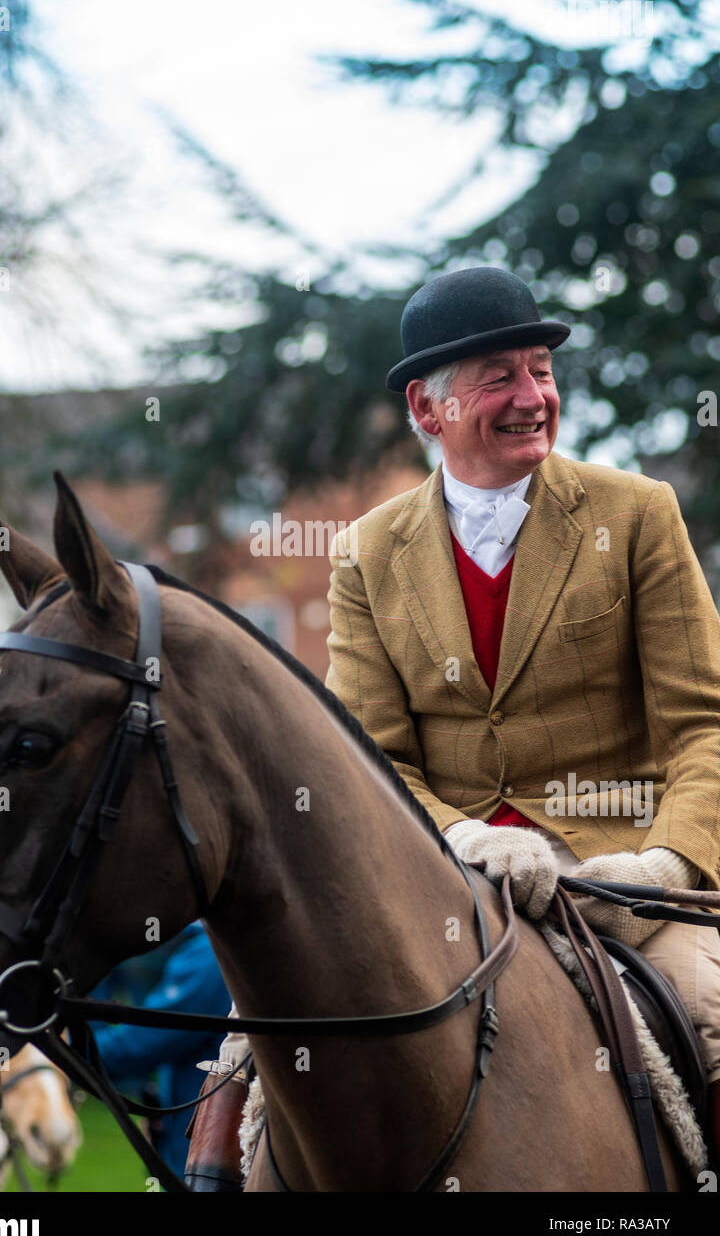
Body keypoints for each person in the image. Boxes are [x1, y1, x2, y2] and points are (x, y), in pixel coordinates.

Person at [191, 265, 720, 1181]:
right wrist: (465, 837)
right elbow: (370, 756)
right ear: (427, 410)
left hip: (622, 876)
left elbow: (705, 726)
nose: (534, 398)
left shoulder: (638, 515)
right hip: (436, 875)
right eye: (501, 378)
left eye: (541, 371)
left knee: (714, 1020)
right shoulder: (364, 552)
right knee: (235, 1075)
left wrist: (661, 866)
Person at [90, 920, 231, 1182]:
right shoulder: (219, 946)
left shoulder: (211, 955)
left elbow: (141, 1044)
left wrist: (70, 1051)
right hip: (205, 1147)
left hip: (207, 1158)